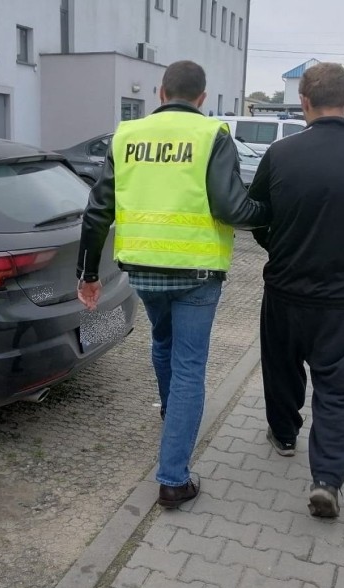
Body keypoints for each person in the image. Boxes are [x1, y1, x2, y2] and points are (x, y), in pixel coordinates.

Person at [76, 60, 268, 509]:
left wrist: (87, 274)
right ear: (202, 98)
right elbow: (232, 208)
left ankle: (170, 412)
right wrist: (270, 213)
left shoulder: (126, 136)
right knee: (189, 367)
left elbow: (97, 211)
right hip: (198, 274)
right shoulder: (212, 135)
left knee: (162, 341)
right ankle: (173, 479)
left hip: (142, 270)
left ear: (161, 92)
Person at [248, 62, 344, 518]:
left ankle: (285, 435)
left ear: (303, 101)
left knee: (282, 367)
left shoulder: (280, 154)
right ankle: (327, 480)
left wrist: (282, 244)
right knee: (339, 389)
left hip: (286, 290)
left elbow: (258, 216)